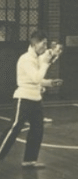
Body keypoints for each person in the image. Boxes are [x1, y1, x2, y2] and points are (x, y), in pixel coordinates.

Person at [0, 30, 63, 168]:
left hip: (36, 99)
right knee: (14, 128)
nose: (45, 47)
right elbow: (36, 78)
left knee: (37, 129)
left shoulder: (37, 58)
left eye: (46, 44)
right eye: (43, 43)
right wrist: (47, 62)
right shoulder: (26, 59)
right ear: (35, 43)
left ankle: (29, 160)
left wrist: (51, 82)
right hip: (23, 98)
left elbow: (39, 80)